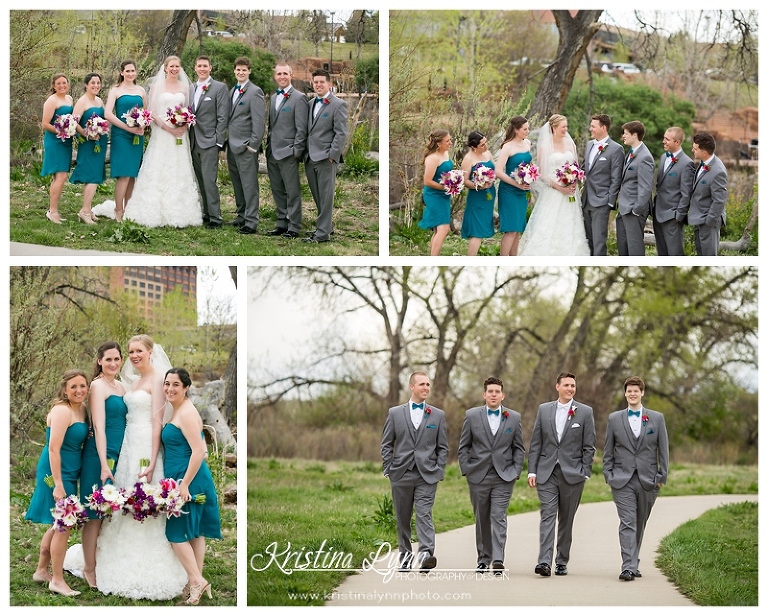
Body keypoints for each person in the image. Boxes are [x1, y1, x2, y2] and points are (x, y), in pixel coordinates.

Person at [85, 335, 187, 599]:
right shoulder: (130, 383)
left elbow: (156, 425)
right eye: (130, 351)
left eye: (138, 350)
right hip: (128, 445)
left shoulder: (157, 380)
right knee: (124, 497)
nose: (133, 355)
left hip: (145, 445)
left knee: (145, 495)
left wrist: (153, 461)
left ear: (151, 352)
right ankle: (111, 558)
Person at [93, 56, 203, 227]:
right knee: (154, 168)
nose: (174, 69)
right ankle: (124, 209)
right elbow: (151, 111)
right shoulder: (156, 87)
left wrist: (183, 124)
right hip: (161, 133)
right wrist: (168, 129)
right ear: (165, 68)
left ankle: (179, 208)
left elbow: (187, 109)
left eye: (177, 66)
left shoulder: (184, 87)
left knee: (177, 168)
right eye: (171, 66)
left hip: (180, 135)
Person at [25, 370, 89, 597]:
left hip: (70, 471)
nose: (79, 390)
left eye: (83, 386)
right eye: (74, 387)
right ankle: (58, 580)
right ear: (64, 389)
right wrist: (59, 484)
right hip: (56, 472)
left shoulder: (80, 408)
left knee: (58, 523)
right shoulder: (62, 410)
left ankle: (42, 570)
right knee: (64, 524)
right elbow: (53, 448)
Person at [162, 368, 222, 605]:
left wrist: (184, 484)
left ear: (186, 387)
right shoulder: (180, 409)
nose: (170, 388)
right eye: (167, 384)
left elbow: (200, 451)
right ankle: (193, 583)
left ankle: (197, 580)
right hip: (185, 477)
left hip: (189, 479)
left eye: (176, 384)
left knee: (175, 534)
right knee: (195, 533)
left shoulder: (186, 412)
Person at [527, 372, 595, 577]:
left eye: (573, 386)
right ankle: (544, 562)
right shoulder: (544, 409)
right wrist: (532, 470)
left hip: (573, 475)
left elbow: (589, 446)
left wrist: (584, 472)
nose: (570, 389)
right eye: (566, 385)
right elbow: (536, 442)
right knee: (548, 515)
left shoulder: (584, 412)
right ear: (557, 386)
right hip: (546, 472)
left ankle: (562, 560)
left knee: (566, 519)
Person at [381, 372, 448, 571]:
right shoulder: (395, 413)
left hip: (427, 475)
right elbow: (386, 444)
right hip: (401, 473)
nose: (426, 387)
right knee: (402, 517)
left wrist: (438, 470)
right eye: (422, 384)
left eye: (428, 384)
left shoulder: (438, 415)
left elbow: (443, 447)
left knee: (424, 513)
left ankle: (426, 554)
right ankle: (405, 556)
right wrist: (389, 469)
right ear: (412, 387)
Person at [603, 376, 669, 581]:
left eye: (636, 391)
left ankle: (633, 561)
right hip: (621, 479)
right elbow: (608, 450)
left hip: (649, 479)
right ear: (625, 394)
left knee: (640, 521)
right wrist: (609, 474)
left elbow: (663, 449)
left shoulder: (656, 419)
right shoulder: (614, 419)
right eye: (629, 391)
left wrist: (661, 476)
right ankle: (628, 567)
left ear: (642, 393)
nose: (632, 394)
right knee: (628, 521)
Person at [458, 377, 524, 574]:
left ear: (502, 395)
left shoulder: (513, 417)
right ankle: (483, 558)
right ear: (484, 394)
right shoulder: (471, 416)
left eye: (497, 391)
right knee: (482, 518)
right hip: (478, 475)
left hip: (504, 476)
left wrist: (515, 470)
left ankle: (497, 559)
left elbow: (519, 448)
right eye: (490, 391)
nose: (494, 394)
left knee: (498, 516)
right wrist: (467, 469)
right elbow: (463, 447)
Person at [77, 342, 128, 590]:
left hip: (119, 454)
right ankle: (89, 568)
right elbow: (98, 425)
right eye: (108, 359)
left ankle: (102, 561)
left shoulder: (121, 386)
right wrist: (104, 465)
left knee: (108, 512)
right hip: (99, 456)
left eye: (117, 359)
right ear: (99, 360)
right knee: (94, 514)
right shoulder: (97, 386)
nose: (113, 363)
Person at [519, 114, 590, 256]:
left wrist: (573, 181)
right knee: (548, 224)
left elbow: (575, 166)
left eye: (566, 126)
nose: (566, 129)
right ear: (554, 127)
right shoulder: (545, 146)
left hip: (570, 192)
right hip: (553, 192)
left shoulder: (571, 144)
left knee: (570, 223)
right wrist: (560, 188)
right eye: (563, 126)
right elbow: (543, 174)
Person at [303, 68, 349, 244]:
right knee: (317, 196)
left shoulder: (338, 105)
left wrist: (332, 156)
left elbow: (341, 133)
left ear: (329, 84)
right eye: (316, 82)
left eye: (322, 82)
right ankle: (326, 226)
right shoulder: (310, 103)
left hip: (326, 158)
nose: (318, 85)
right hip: (310, 157)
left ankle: (322, 234)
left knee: (326, 196)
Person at [265, 62, 309, 239]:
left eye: (285, 73)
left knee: (292, 191)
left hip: (289, 152)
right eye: (279, 74)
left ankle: (294, 226)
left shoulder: (299, 98)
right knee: (277, 190)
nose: (282, 76)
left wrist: (296, 151)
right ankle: (282, 223)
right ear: (275, 76)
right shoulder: (274, 98)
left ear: (291, 75)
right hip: (272, 151)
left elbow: (302, 128)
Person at [103, 60, 147, 221]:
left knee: (132, 174)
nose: (130, 73)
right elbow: (108, 114)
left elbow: (146, 112)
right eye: (127, 71)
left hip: (137, 136)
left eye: (132, 71)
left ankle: (129, 209)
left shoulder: (141, 90)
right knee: (124, 174)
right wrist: (127, 128)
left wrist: (142, 125)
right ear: (122, 72)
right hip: (121, 135)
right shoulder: (115, 90)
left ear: (136, 72)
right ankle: (118, 210)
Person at [226, 56, 266, 235]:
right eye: (238, 69)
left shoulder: (255, 91)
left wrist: (253, 145)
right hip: (232, 146)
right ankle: (241, 215)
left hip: (246, 147)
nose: (240, 72)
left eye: (244, 70)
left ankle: (251, 221)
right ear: (234, 71)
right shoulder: (232, 90)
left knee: (249, 185)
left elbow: (259, 121)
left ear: (249, 71)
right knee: (237, 183)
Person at [189, 55, 229, 228]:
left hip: (209, 142)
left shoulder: (219, 88)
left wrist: (218, 141)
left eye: (205, 66)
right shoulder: (190, 88)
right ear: (195, 68)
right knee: (200, 179)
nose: (202, 69)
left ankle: (216, 217)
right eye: (199, 66)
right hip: (192, 141)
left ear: (210, 68)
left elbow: (222, 116)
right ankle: (205, 212)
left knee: (209, 180)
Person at [678, 132, 728, 255]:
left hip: (708, 221)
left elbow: (719, 201)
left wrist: (709, 221)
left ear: (704, 152)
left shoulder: (718, 172)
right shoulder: (704, 163)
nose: (692, 150)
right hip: (699, 218)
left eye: (695, 149)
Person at [581, 114, 624, 255]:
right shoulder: (589, 145)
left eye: (593, 126)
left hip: (601, 201)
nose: (590, 129)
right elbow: (583, 168)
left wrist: (609, 202)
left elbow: (616, 178)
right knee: (588, 242)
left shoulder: (616, 149)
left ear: (603, 128)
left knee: (599, 242)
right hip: (586, 200)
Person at [70, 73, 108, 225]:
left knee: (95, 176)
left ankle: (88, 209)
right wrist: (88, 133)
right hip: (89, 143)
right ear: (86, 84)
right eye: (92, 83)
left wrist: (101, 128)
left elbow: (104, 119)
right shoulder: (82, 101)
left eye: (98, 83)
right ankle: (84, 211)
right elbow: (73, 122)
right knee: (92, 176)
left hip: (100, 142)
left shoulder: (98, 100)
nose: (96, 85)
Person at [652, 127, 695, 256]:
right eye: (664, 138)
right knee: (662, 254)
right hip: (658, 214)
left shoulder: (687, 164)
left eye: (667, 139)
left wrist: (679, 215)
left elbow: (686, 193)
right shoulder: (663, 157)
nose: (663, 141)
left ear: (677, 142)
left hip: (672, 217)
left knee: (675, 254)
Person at [495, 116, 532, 256]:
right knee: (510, 229)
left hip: (522, 192)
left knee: (517, 229)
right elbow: (498, 171)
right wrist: (516, 184)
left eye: (528, 128)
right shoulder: (507, 146)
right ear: (516, 130)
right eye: (525, 129)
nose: (527, 131)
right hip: (509, 191)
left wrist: (528, 187)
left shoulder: (527, 143)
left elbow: (528, 167)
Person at [616, 121, 655, 256]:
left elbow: (645, 187)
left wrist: (636, 210)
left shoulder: (645, 157)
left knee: (634, 249)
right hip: (624, 208)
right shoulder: (632, 152)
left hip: (634, 210)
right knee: (623, 247)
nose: (623, 136)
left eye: (626, 134)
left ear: (635, 135)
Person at [40, 73, 75, 224]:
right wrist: (62, 131)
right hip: (54, 141)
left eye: (64, 83)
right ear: (54, 86)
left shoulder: (69, 99)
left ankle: (53, 210)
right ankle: (52, 211)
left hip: (66, 142)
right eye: (58, 83)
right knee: (60, 177)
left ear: (68, 84)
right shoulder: (51, 100)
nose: (62, 86)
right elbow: (45, 124)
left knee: (58, 177)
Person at [418, 129, 454, 256]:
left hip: (444, 196)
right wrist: (445, 187)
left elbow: (445, 174)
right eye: (447, 141)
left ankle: (433, 256)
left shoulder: (445, 154)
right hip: (433, 195)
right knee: (444, 229)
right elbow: (427, 181)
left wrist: (454, 182)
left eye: (450, 140)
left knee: (438, 230)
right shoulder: (433, 158)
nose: (451, 143)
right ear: (438, 143)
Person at [460, 131, 496, 256]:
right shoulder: (468, 159)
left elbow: (494, 170)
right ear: (474, 147)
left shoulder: (488, 153)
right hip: (476, 196)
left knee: (482, 228)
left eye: (486, 142)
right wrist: (478, 185)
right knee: (477, 231)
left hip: (489, 193)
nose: (486, 146)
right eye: (482, 144)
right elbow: (464, 181)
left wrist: (491, 178)